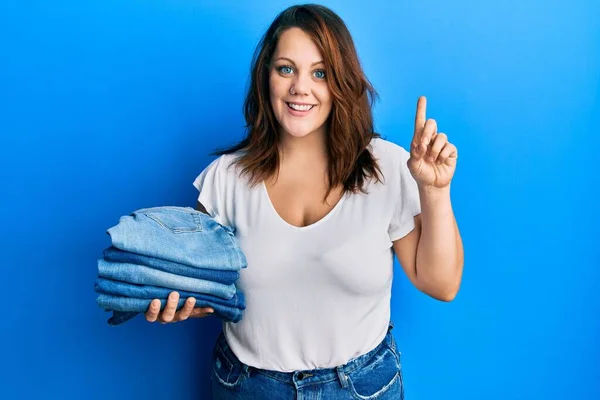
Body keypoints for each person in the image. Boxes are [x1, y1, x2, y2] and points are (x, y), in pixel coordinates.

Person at [145, 4, 463, 399]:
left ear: (340, 82)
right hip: (246, 387)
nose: (300, 87)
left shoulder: (387, 166)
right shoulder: (226, 178)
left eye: (320, 73)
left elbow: (441, 284)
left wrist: (434, 191)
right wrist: (178, 300)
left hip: (360, 388)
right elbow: (200, 285)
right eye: (285, 69)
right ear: (267, 78)